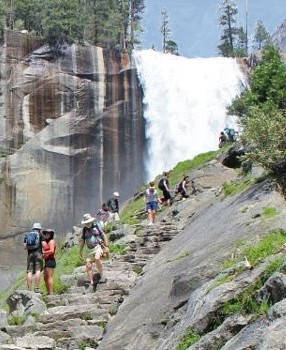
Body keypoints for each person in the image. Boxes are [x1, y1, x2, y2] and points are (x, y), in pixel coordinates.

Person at [79, 213, 109, 286]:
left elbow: (103, 234)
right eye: (86, 223)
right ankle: (91, 282)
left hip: (97, 246)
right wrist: (80, 251)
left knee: (97, 258)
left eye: (88, 222)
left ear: (91, 221)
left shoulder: (96, 226)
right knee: (88, 265)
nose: (87, 224)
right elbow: (83, 241)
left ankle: (102, 275)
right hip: (89, 250)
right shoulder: (84, 230)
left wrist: (106, 245)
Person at [23, 223, 44, 293]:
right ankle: (36, 288)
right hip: (38, 254)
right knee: (38, 270)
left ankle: (29, 290)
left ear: (33, 228)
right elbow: (44, 245)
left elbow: (24, 247)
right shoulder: (41, 235)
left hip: (30, 255)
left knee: (29, 272)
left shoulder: (27, 235)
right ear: (39, 229)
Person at [42, 229, 56, 295]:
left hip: (51, 261)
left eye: (48, 234)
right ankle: (48, 291)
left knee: (49, 277)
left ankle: (51, 292)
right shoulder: (47, 242)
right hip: (47, 260)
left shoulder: (51, 241)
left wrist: (43, 252)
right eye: (46, 234)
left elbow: (52, 251)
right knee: (45, 277)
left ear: (51, 235)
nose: (47, 235)